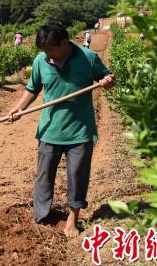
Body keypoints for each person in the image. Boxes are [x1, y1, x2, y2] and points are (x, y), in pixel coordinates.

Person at [7, 23, 115, 238]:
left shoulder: (88, 58)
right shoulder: (41, 60)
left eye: (50, 49)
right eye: (43, 51)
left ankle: (72, 219)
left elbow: (108, 78)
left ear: (64, 43)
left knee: (77, 175)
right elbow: (33, 88)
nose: (47, 55)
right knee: (44, 175)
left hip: (80, 130)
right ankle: (42, 215)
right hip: (50, 129)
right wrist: (19, 107)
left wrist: (107, 80)